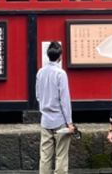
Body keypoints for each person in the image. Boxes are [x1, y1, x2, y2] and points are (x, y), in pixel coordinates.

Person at [34, 41, 77, 174]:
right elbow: (65, 100)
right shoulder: (60, 74)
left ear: (48, 55)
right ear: (60, 57)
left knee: (45, 157)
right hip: (60, 122)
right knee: (61, 156)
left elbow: (38, 96)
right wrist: (70, 123)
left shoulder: (40, 72)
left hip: (45, 121)